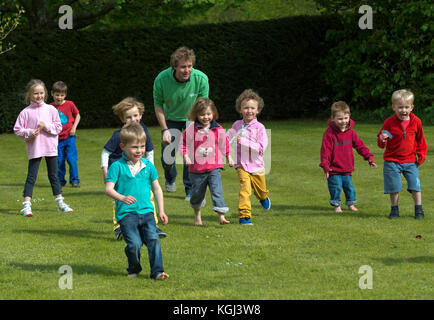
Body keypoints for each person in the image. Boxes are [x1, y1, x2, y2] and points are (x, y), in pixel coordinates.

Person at [105, 122, 169, 280]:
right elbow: (108, 189)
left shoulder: (148, 166)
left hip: (147, 212)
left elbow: (157, 189)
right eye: (134, 147)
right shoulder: (116, 167)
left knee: (153, 239)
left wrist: (161, 210)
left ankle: (157, 272)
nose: (139, 150)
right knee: (134, 244)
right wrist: (122, 198)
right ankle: (133, 268)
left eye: (142, 146)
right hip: (127, 215)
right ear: (123, 146)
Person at [101, 97, 166, 239]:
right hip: (119, 172)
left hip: (139, 169)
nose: (133, 119)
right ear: (123, 119)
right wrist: (105, 169)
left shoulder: (143, 131)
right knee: (118, 198)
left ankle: (152, 225)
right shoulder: (118, 135)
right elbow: (106, 152)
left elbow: (149, 150)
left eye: (136, 115)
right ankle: (119, 227)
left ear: (141, 115)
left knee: (148, 196)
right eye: (129, 117)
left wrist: (150, 167)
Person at [153, 46, 209, 200]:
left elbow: (203, 105)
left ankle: (189, 189)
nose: (187, 70)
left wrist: (201, 127)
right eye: (183, 67)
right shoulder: (161, 79)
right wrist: (164, 129)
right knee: (167, 157)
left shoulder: (201, 79)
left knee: (189, 153)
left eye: (190, 66)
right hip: (170, 117)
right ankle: (170, 177)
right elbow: (158, 106)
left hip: (192, 118)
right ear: (175, 67)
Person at [13, 79, 74, 217]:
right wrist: (29, 132)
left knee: (53, 175)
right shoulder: (25, 112)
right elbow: (17, 129)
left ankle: (60, 202)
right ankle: (27, 205)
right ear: (29, 94)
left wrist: (45, 126)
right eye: (35, 93)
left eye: (41, 93)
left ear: (45, 93)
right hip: (35, 148)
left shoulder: (51, 109)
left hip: (50, 147)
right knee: (31, 176)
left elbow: (58, 127)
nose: (39, 96)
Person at [180, 98, 234, 225]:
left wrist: (229, 156)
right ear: (196, 115)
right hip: (196, 169)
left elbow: (224, 144)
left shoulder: (217, 129)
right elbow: (183, 144)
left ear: (213, 113)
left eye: (208, 114)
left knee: (217, 190)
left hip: (214, 167)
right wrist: (186, 156)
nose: (206, 117)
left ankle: (221, 216)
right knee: (197, 194)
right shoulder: (192, 129)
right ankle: (197, 215)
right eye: (202, 114)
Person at [320, 101, 378, 213]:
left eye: (346, 118)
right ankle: (337, 206)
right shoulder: (329, 134)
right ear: (333, 118)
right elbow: (325, 152)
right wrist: (326, 167)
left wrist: (369, 158)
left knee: (349, 188)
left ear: (349, 116)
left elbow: (360, 146)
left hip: (347, 168)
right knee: (335, 187)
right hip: (333, 168)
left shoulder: (351, 132)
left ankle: (351, 204)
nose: (343, 122)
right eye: (340, 119)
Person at [377, 89, 427, 219]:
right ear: (394, 107)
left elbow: (421, 140)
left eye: (406, 107)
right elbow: (383, 141)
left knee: (415, 185)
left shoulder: (416, 122)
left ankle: (419, 210)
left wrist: (421, 155)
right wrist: (382, 139)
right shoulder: (389, 122)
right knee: (394, 186)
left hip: (410, 161)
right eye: (400, 107)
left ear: (412, 107)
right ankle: (394, 210)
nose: (403, 110)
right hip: (392, 161)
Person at [226, 89, 271, 226]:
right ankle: (244, 216)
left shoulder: (260, 128)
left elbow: (261, 149)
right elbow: (228, 139)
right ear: (240, 109)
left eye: (252, 108)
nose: (249, 111)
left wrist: (244, 142)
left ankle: (263, 197)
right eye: (246, 108)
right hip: (242, 165)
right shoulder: (237, 125)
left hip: (257, 166)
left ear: (258, 110)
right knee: (245, 190)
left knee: (261, 191)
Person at [50, 81, 81, 188]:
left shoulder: (70, 104)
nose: (59, 97)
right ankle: (60, 180)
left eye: (62, 95)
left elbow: (77, 116)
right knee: (59, 160)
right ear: (52, 94)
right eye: (57, 95)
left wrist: (74, 128)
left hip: (70, 137)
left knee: (71, 159)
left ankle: (75, 180)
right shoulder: (50, 107)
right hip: (57, 138)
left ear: (65, 95)